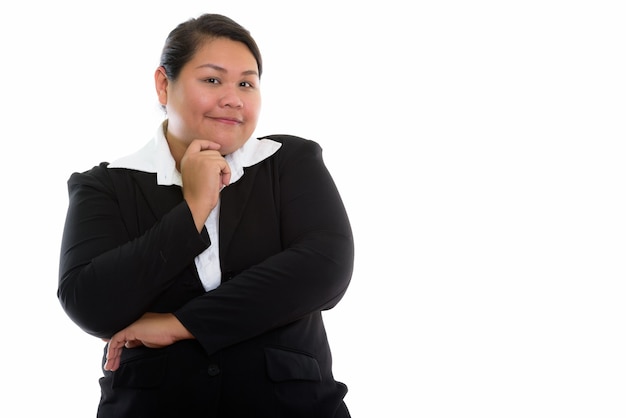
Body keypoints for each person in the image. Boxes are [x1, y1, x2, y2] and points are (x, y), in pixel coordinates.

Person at [57, 13, 354, 418]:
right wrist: (194, 207)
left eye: (246, 83)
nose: (233, 98)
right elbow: (91, 303)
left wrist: (179, 324)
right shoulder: (105, 185)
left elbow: (325, 268)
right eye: (213, 80)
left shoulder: (289, 162)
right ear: (164, 84)